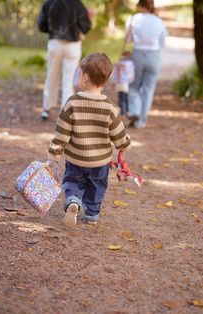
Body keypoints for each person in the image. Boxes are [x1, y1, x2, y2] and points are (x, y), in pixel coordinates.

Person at [47, 53, 131, 227]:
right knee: (97, 187)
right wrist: (125, 144)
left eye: (79, 74)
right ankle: (92, 215)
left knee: (72, 181)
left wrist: (54, 154)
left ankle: (73, 201)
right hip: (99, 162)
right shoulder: (109, 107)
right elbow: (119, 135)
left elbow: (61, 133)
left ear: (84, 77)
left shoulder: (72, 103)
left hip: (75, 159)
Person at [37, 0, 92, 120]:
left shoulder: (49, 3)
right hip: (73, 44)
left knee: (51, 75)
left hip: (55, 42)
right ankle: (66, 113)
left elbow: (41, 25)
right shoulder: (77, 3)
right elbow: (86, 26)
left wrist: (53, 29)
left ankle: (46, 109)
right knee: (69, 78)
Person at [126, 0, 168, 128]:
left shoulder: (133, 19)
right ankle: (141, 122)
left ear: (140, 6)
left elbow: (128, 39)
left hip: (138, 54)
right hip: (154, 56)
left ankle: (134, 111)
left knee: (133, 86)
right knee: (148, 89)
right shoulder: (159, 21)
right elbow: (162, 44)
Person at [113, 51, 135, 116]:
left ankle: (124, 111)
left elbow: (122, 70)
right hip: (124, 82)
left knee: (122, 98)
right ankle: (125, 111)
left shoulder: (127, 63)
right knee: (124, 97)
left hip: (123, 82)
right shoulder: (129, 63)